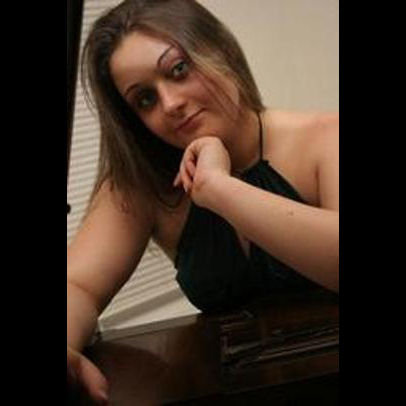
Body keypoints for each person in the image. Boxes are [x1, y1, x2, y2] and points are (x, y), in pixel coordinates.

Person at [67, 0, 339, 403]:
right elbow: (77, 285)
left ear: (221, 50)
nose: (170, 104)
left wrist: (219, 188)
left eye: (178, 70)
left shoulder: (325, 137)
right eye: (145, 99)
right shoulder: (142, 184)